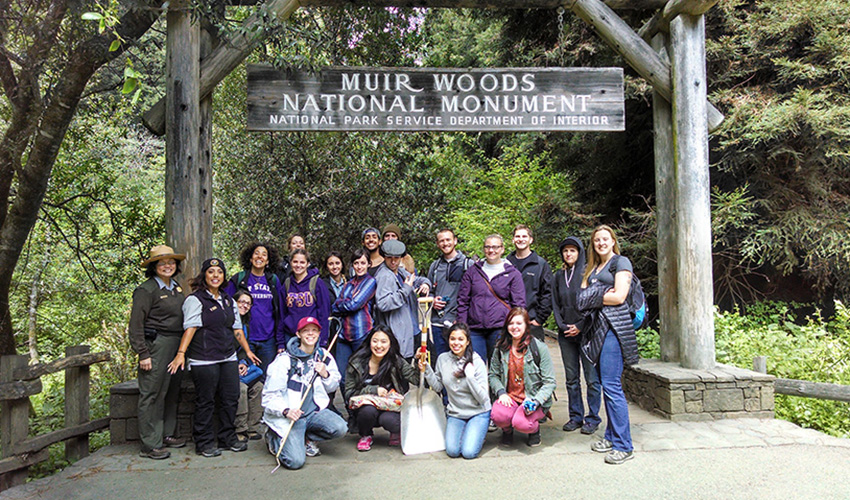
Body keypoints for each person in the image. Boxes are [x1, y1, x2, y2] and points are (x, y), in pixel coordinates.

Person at [167, 258, 261, 457]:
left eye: (219, 272)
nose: (215, 275)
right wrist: (181, 354)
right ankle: (204, 441)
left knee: (230, 397)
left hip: (228, 357)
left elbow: (237, 329)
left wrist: (248, 351)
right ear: (204, 275)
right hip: (204, 358)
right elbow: (191, 328)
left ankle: (228, 438)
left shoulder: (228, 300)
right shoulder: (195, 300)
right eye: (211, 272)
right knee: (206, 400)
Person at [579, 225, 639, 465]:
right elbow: (580, 299)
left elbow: (620, 296)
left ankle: (624, 445)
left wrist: (593, 295)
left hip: (614, 330)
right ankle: (612, 437)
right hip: (598, 331)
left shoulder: (621, 262)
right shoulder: (594, 268)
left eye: (605, 239)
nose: (601, 243)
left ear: (613, 241)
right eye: (597, 240)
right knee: (605, 385)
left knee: (612, 386)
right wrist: (601, 293)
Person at [262, 316, 348, 469]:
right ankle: (274, 437)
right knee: (295, 462)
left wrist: (325, 374)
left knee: (340, 427)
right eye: (306, 331)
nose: (310, 334)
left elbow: (333, 386)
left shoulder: (323, 355)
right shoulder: (284, 360)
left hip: (313, 413)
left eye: (314, 330)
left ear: (319, 333)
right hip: (292, 416)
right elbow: (269, 396)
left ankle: (307, 437)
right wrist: (285, 410)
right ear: (298, 334)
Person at [129, 245, 187, 460]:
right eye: (162, 263)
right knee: (151, 393)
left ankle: (166, 434)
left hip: (177, 344)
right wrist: (143, 353)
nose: (167, 266)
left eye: (171, 262)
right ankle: (150, 443)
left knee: (171, 391)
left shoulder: (176, 288)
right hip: (156, 345)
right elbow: (136, 325)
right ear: (154, 266)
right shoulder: (146, 290)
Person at [419, 323, 491, 459]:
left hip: (478, 412)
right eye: (452, 339)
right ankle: (468, 433)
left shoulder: (477, 361)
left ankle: (477, 432)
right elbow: (438, 387)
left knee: (468, 453)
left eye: (460, 339)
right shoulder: (442, 359)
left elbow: (483, 399)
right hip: (456, 413)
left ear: (467, 341)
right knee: (452, 451)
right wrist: (426, 369)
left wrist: (470, 377)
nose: (456, 343)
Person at [552, 236, 601, 435]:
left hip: (587, 333)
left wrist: (580, 325)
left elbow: (595, 302)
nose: (569, 254)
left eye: (573, 250)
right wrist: (562, 325)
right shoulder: (558, 276)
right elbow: (555, 304)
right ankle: (575, 416)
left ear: (580, 252)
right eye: (565, 251)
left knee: (591, 378)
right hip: (566, 334)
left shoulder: (588, 273)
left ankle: (593, 418)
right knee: (572, 379)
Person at [344, 326, 420, 451]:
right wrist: (373, 390)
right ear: (369, 342)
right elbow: (349, 393)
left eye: (384, 341)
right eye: (375, 341)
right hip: (367, 408)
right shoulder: (356, 362)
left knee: (389, 420)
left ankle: (396, 432)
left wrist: (418, 362)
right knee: (367, 412)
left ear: (390, 343)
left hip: (390, 408)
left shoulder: (396, 361)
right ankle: (365, 435)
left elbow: (416, 379)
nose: (379, 346)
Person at [488, 307, 556, 448]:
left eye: (519, 323)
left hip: (532, 399)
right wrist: (501, 392)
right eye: (511, 323)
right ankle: (507, 430)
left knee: (522, 423)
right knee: (497, 415)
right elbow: (493, 375)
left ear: (526, 325)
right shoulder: (501, 347)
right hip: (511, 397)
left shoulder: (539, 348)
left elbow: (550, 382)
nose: (514, 327)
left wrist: (536, 401)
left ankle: (534, 430)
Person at [457, 234, 526, 364]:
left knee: (498, 368)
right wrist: (462, 326)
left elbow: (519, 305)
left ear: (502, 249)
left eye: (495, 247)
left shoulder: (513, 274)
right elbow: (463, 301)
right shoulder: (473, 272)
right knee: (475, 367)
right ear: (484, 249)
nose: (491, 250)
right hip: (474, 329)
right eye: (488, 247)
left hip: (500, 328)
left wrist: (517, 328)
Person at [224, 242, 284, 377]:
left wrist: (279, 341)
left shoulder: (273, 281)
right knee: (246, 376)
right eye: (256, 253)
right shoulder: (240, 279)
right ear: (250, 258)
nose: (259, 257)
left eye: (264, 255)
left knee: (266, 378)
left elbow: (280, 310)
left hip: (268, 339)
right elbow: (227, 304)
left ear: (268, 261)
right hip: (246, 337)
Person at [372, 240, 431, 360]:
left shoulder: (399, 271)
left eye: (396, 258)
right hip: (397, 333)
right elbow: (383, 304)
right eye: (389, 258)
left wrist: (426, 283)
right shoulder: (385, 276)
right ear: (384, 257)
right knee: (400, 370)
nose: (393, 261)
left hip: (410, 329)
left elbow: (415, 279)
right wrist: (405, 290)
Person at [331, 249, 377, 400]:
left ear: (368, 264)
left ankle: (362, 411)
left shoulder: (371, 282)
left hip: (361, 333)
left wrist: (345, 303)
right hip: (344, 335)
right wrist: (346, 303)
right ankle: (350, 409)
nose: (359, 266)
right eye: (356, 263)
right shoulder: (348, 284)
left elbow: (354, 305)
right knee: (343, 377)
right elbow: (335, 305)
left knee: (362, 375)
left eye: (363, 263)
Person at [427, 228, 474, 361]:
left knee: (462, 361)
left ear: (455, 241)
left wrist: (463, 318)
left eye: (448, 239)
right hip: (438, 323)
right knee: (442, 360)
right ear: (437, 244)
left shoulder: (468, 264)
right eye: (441, 241)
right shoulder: (435, 266)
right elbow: (429, 291)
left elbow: (474, 294)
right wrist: (432, 300)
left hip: (459, 322)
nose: (445, 243)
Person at [507, 225, 553, 342]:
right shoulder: (506, 264)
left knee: (534, 358)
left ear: (530, 240)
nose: (520, 239)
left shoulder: (540, 264)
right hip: (509, 323)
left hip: (532, 323)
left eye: (524, 236)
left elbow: (548, 293)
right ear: (513, 239)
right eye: (517, 236)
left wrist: (539, 319)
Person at [280, 249, 331, 349]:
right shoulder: (287, 284)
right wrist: (280, 343)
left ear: (308, 264)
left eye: (302, 262)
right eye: (295, 262)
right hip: (291, 336)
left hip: (311, 337)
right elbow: (281, 314)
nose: (298, 265)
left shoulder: (317, 283)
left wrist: (322, 342)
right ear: (290, 263)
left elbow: (324, 314)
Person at [232, 290, 265, 442]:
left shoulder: (245, 324)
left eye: (248, 303)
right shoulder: (227, 321)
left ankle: (253, 426)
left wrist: (243, 362)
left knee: (258, 386)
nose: (244, 306)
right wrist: (236, 364)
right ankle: (240, 428)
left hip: (239, 365)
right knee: (242, 388)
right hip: (226, 366)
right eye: (241, 302)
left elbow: (243, 350)